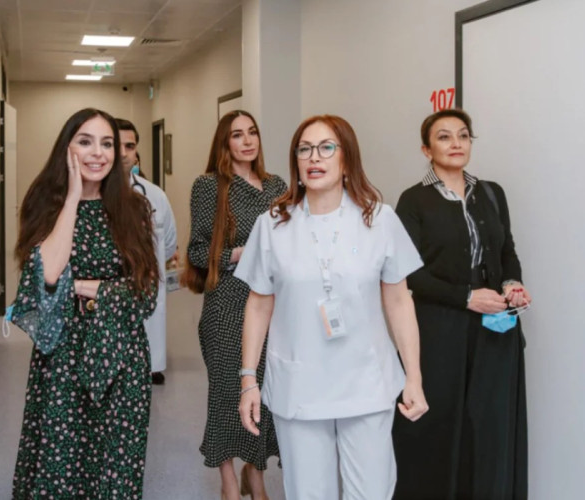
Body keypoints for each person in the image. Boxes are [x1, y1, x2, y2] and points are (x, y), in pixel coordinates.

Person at [236, 114, 429, 500]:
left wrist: (414, 376)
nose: (314, 157)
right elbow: (258, 306)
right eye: (304, 149)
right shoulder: (272, 224)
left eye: (326, 147)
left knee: (372, 492)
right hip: (300, 384)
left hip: (367, 382)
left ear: (347, 158)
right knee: (309, 492)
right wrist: (248, 380)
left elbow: (398, 301)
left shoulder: (379, 219)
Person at [8, 108, 160, 498]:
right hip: (63, 356)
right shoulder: (46, 205)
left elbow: (145, 293)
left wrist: (81, 287)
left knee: (115, 464)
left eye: (107, 144)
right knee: (61, 460)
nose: (98, 153)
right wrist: (73, 199)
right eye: (85, 141)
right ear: (67, 148)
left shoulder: (134, 209)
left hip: (122, 356)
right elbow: (46, 277)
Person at [392, 109, 531, 499]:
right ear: (426, 149)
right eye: (444, 136)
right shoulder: (414, 200)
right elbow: (407, 274)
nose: (456, 143)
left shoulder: (491, 193)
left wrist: (512, 285)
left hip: (495, 330)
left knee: (489, 429)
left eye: (463, 135)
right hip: (439, 330)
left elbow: (507, 252)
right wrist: (466, 297)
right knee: (438, 428)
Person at [184, 110, 286, 500]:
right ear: (224, 143)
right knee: (229, 394)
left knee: (264, 392)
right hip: (227, 304)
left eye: (252, 132)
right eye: (237, 135)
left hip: (271, 303)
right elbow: (197, 251)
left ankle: (254, 473)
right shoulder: (209, 186)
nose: (247, 141)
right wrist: (242, 253)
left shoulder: (276, 185)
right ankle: (227, 479)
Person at [116, 118, 178, 385]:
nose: (123, 153)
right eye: (115, 145)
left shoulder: (155, 196)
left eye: (130, 146)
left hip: (144, 291)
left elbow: (169, 244)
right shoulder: (86, 194)